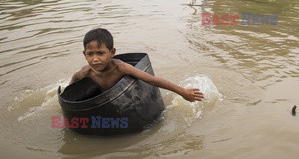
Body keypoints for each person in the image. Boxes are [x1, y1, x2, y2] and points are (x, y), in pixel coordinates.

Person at [70, 28, 204, 102]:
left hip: (123, 98)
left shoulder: (120, 68)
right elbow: (74, 81)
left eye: (100, 53)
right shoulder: (86, 72)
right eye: (90, 54)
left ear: (112, 52)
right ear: (84, 54)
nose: (95, 59)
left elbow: (152, 80)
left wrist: (182, 91)